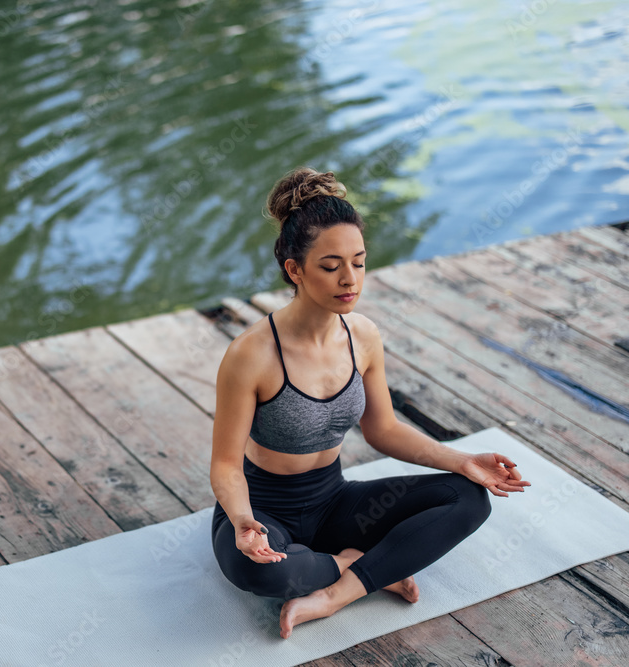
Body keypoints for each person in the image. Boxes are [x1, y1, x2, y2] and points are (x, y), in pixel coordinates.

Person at [209, 166, 531, 639]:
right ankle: (358, 564)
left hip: (334, 500)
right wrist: (242, 521)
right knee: (260, 573)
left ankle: (338, 591)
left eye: (358, 262)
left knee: (467, 498)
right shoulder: (250, 355)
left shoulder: (363, 336)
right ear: (294, 269)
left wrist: (463, 460)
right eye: (330, 265)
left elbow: (383, 430)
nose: (349, 279)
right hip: (265, 510)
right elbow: (224, 464)